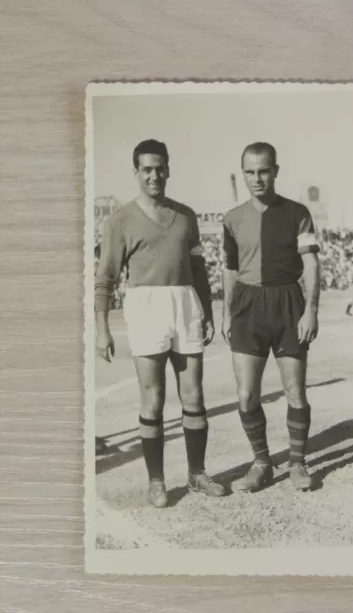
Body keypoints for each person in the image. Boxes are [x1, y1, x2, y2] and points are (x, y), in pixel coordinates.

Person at [95, 139, 225, 508]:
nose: (154, 175)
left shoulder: (187, 215)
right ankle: (156, 482)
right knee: (153, 399)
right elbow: (105, 276)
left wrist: (207, 311)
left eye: (159, 167)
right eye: (146, 169)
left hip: (185, 303)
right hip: (145, 305)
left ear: (169, 169)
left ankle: (197, 474)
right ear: (136, 172)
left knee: (194, 395)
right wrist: (102, 326)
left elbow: (198, 268)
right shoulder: (119, 220)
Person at [221, 142, 320, 492]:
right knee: (247, 394)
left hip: (288, 303)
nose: (257, 178)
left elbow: (310, 262)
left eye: (263, 170)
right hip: (247, 306)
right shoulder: (232, 218)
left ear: (276, 170)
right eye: (250, 171)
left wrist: (310, 309)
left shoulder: (297, 212)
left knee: (295, 390)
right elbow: (230, 270)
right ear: (243, 173)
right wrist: (226, 313)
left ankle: (297, 462)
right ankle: (262, 461)